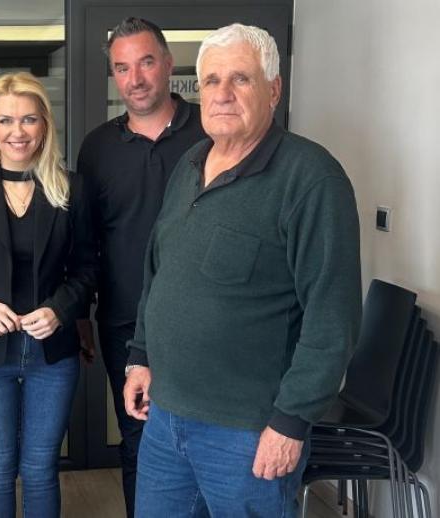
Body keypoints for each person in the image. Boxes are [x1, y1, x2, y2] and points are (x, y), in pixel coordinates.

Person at [123, 23, 362, 517]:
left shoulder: (311, 179)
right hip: (165, 418)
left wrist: (290, 423)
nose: (222, 94)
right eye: (211, 80)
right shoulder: (191, 163)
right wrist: (141, 356)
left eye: (241, 79)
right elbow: (158, 271)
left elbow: (332, 318)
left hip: (247, 434)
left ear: (273, 89)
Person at [0, 72, 96, 517]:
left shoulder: (71, 187)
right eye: (6, 120)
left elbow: (88, 268)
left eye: (29, 119)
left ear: (44, 125)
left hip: (53, 354)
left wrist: (60, 310)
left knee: (40, 468)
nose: (18, 131)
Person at [75, 17, 206, 516]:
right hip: (127, 325)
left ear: (168, 64)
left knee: (206, 443)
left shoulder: (210, 132)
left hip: (206, 322)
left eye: (146, 62)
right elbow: (86, 241)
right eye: (122, 68)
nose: (136, 79)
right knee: (140, 442)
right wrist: (83, 316)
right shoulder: (97, 148)